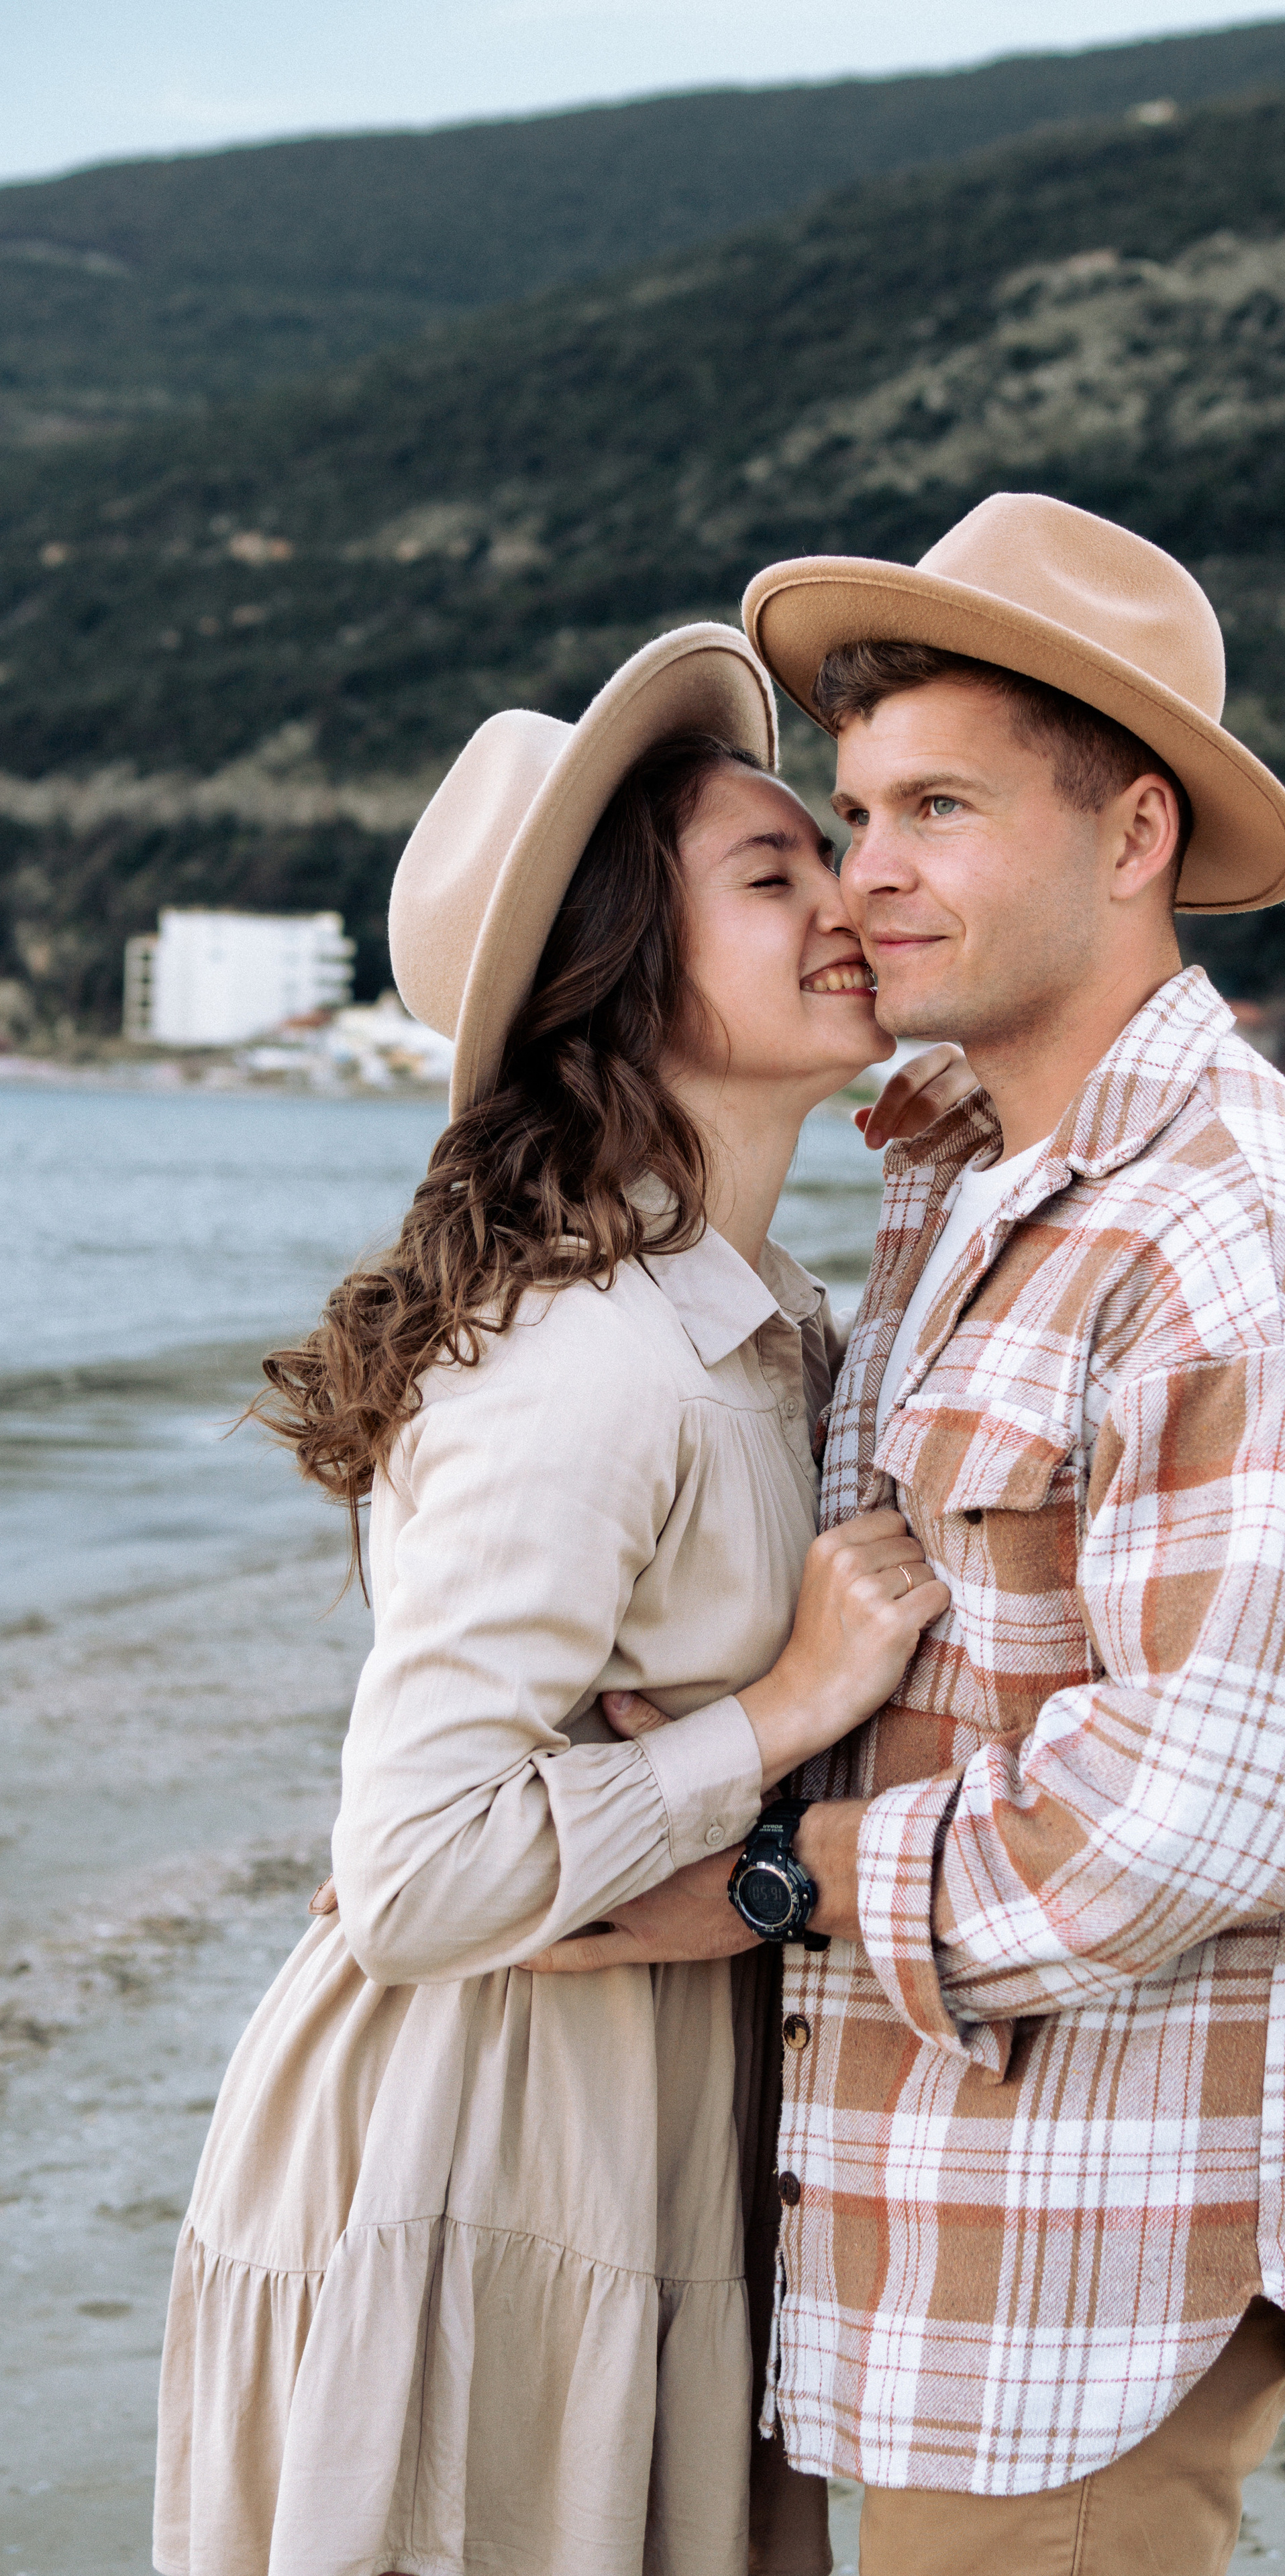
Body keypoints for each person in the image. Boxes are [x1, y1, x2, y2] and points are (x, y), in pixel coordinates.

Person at [546, 498, 1285, 2576]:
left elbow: (1199, 1815)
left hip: (1089, 2243)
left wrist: (756, 1882)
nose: (872, 877)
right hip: (934, 2206)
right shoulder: (964, 1172)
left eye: (939, 809)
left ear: (1135, 835)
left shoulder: (1243, 1236)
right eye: (856, 812)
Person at [150, 623, 970, 2576]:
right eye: (773, 875)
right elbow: (418, 1864)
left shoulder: (765, 1331)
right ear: (621, 980)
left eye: (826, 851)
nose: (848, 896)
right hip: (476, 2161)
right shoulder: (590, 1357)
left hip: (627, 2135)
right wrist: (776, 1713)